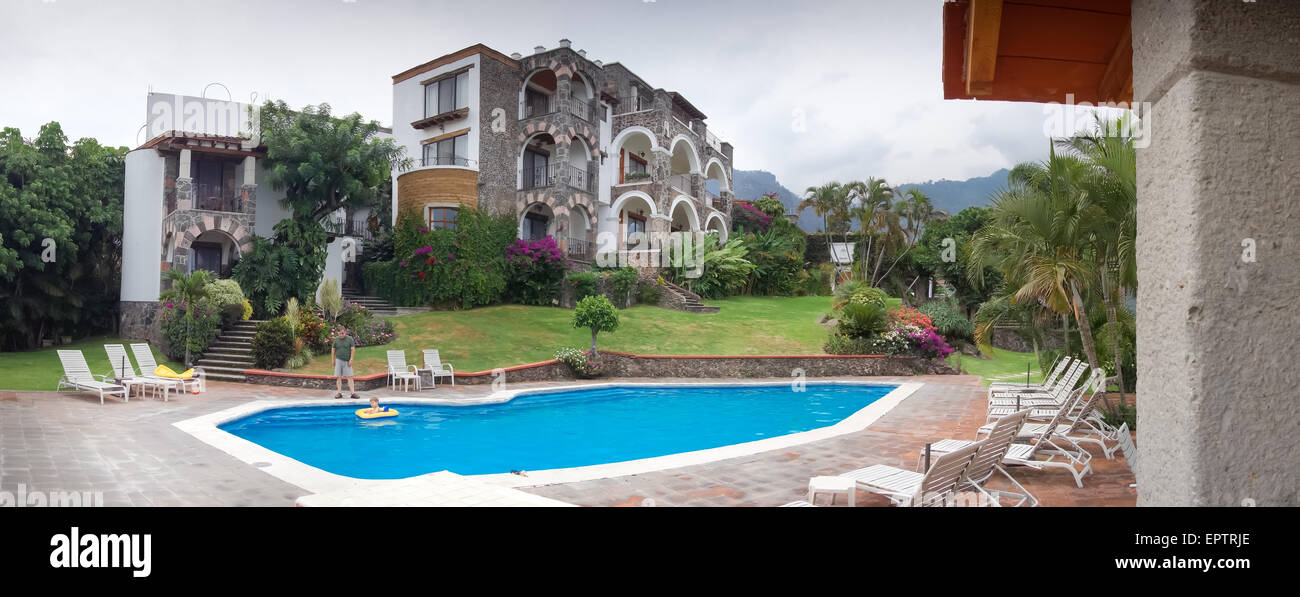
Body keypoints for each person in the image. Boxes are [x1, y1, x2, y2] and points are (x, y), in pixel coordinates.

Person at [331, 329, 359, 399]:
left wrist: (351, 359)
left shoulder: (350, 339)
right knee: (338, 376)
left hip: (347, 360)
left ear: (345, 332)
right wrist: (333, 360)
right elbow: (333, 350)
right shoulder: (336, 339)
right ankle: (339, 393)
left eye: (342, 333)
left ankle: (353, 393)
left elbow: (352, 349)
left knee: (350, 376)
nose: (341, 335)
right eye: (339, 333)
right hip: (338, 360)